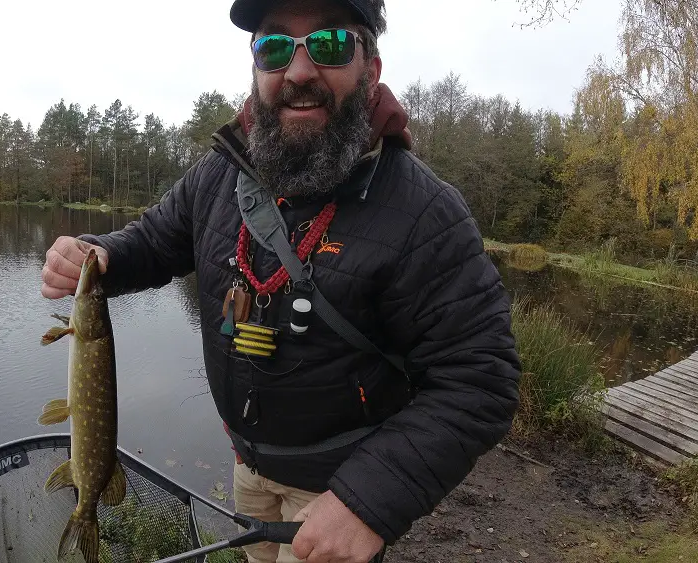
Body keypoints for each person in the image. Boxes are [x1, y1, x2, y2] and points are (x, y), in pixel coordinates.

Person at [40, 0, 522, 561]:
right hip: (249, 470)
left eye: (330, 44)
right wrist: (95, 257)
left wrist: (366, 503)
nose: (297, 72)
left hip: (336, 489)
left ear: (372, 69)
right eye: (273, 47)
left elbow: (480, 380)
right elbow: (153, 241)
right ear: (256, 68)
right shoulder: (220, 172)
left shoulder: (424, 213)